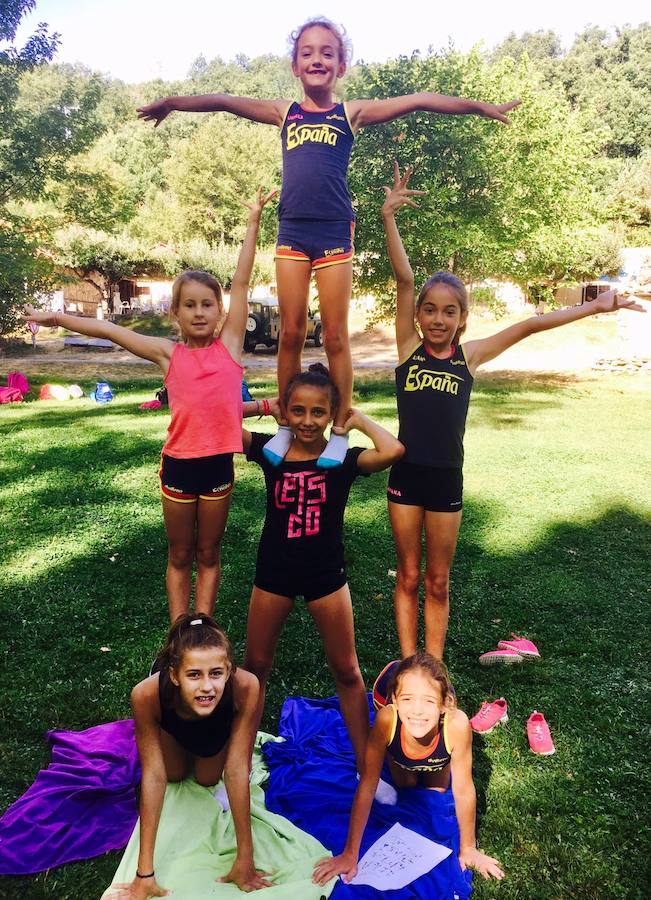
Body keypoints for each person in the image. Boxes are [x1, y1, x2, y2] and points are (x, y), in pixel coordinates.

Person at [137, 17, 520, 470]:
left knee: (337, 336)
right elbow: (223, 101)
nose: (317, 58)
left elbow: (418, 101)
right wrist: (175, 104)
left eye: (327, 53)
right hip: (293, 231)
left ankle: (338, 429)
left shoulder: (349, 114)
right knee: (291, 333)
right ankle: (284, 422)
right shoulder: (285, 114)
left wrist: (478, 106)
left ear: (341, 65)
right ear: (295, 65)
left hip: (336, 231)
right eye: (307, 53)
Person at [381, 162, 646, 659]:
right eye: (430, 309)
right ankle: (409, 665)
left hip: (446, 480)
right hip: (405, 476)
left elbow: (530, 325)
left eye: (449, 310)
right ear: (419, 314)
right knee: (409, 575)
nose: (438, 318)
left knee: (437, 581)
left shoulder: (470, 355)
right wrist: (389, 218)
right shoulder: (405, 350)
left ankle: (433, 668)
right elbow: (403, 279)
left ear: (462, 318)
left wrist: (597, 306)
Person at [23, 188, 277, 622]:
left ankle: (202, 626)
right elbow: (107, 330)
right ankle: (180, 632)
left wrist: (253, 222)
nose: (199, 312)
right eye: (189, 305)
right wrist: (58, 319)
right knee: (180, 555)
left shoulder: (231, 347)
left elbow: (241, 279)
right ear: (175, 313)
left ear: (221, 311)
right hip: (178, 466)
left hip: (218, 466)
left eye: (207, 304)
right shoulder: (167, 353)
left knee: (209, 553)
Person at [241, 363, 404, 771]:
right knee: (255, 666)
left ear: (331, 415)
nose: (307, 421)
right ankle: (238, 762)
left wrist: (357, 420)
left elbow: (394, 450)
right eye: (297, 411)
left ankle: (368, 767)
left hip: (325, 575)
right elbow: (215, 419)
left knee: (347, 670)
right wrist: (265, 407)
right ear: (287, 413)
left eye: (318, 412)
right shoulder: (270, 452)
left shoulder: (343, 460)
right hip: (274, 571)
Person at [110, 614, 271, 898]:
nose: (207, 686)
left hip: (214, 729)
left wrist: (245, 859)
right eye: (194, 674)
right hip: (173, 723)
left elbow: (235, 769)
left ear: (230, 671)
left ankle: (198, 747)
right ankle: (177, 738)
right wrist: (144, 874)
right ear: (174, 675)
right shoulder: (145, 695)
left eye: (216, 674)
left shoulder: (246, 687)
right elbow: (154, 776)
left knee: (209, 778)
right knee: (173, 774)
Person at [313, 652, 504, 886]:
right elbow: (368, 784)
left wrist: (468, 848)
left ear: (444, 705)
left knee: (437, 789)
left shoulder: (457, 724)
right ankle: (396, 755)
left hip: (438, 749)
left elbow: (463, 789)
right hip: (399, 748)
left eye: (428, 701)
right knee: (407, 784)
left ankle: (427, 760)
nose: (417, 710)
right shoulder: (387, 719)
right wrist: (350, 853)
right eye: (407, 699)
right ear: (394, 699)